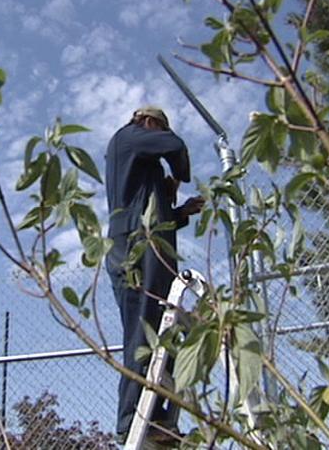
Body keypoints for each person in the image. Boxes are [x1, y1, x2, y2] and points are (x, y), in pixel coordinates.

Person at [105, 106, 205, 445]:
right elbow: (176, 147)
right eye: (157, 130)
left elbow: (156, 215)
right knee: (143, 331)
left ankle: (159, 416)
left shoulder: (141, 169)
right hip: (135, 246)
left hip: (150, 245)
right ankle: (131, 421)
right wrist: (176, 177)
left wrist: (180, 210)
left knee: (164, 332)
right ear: (148, 124)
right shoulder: (128, 138)